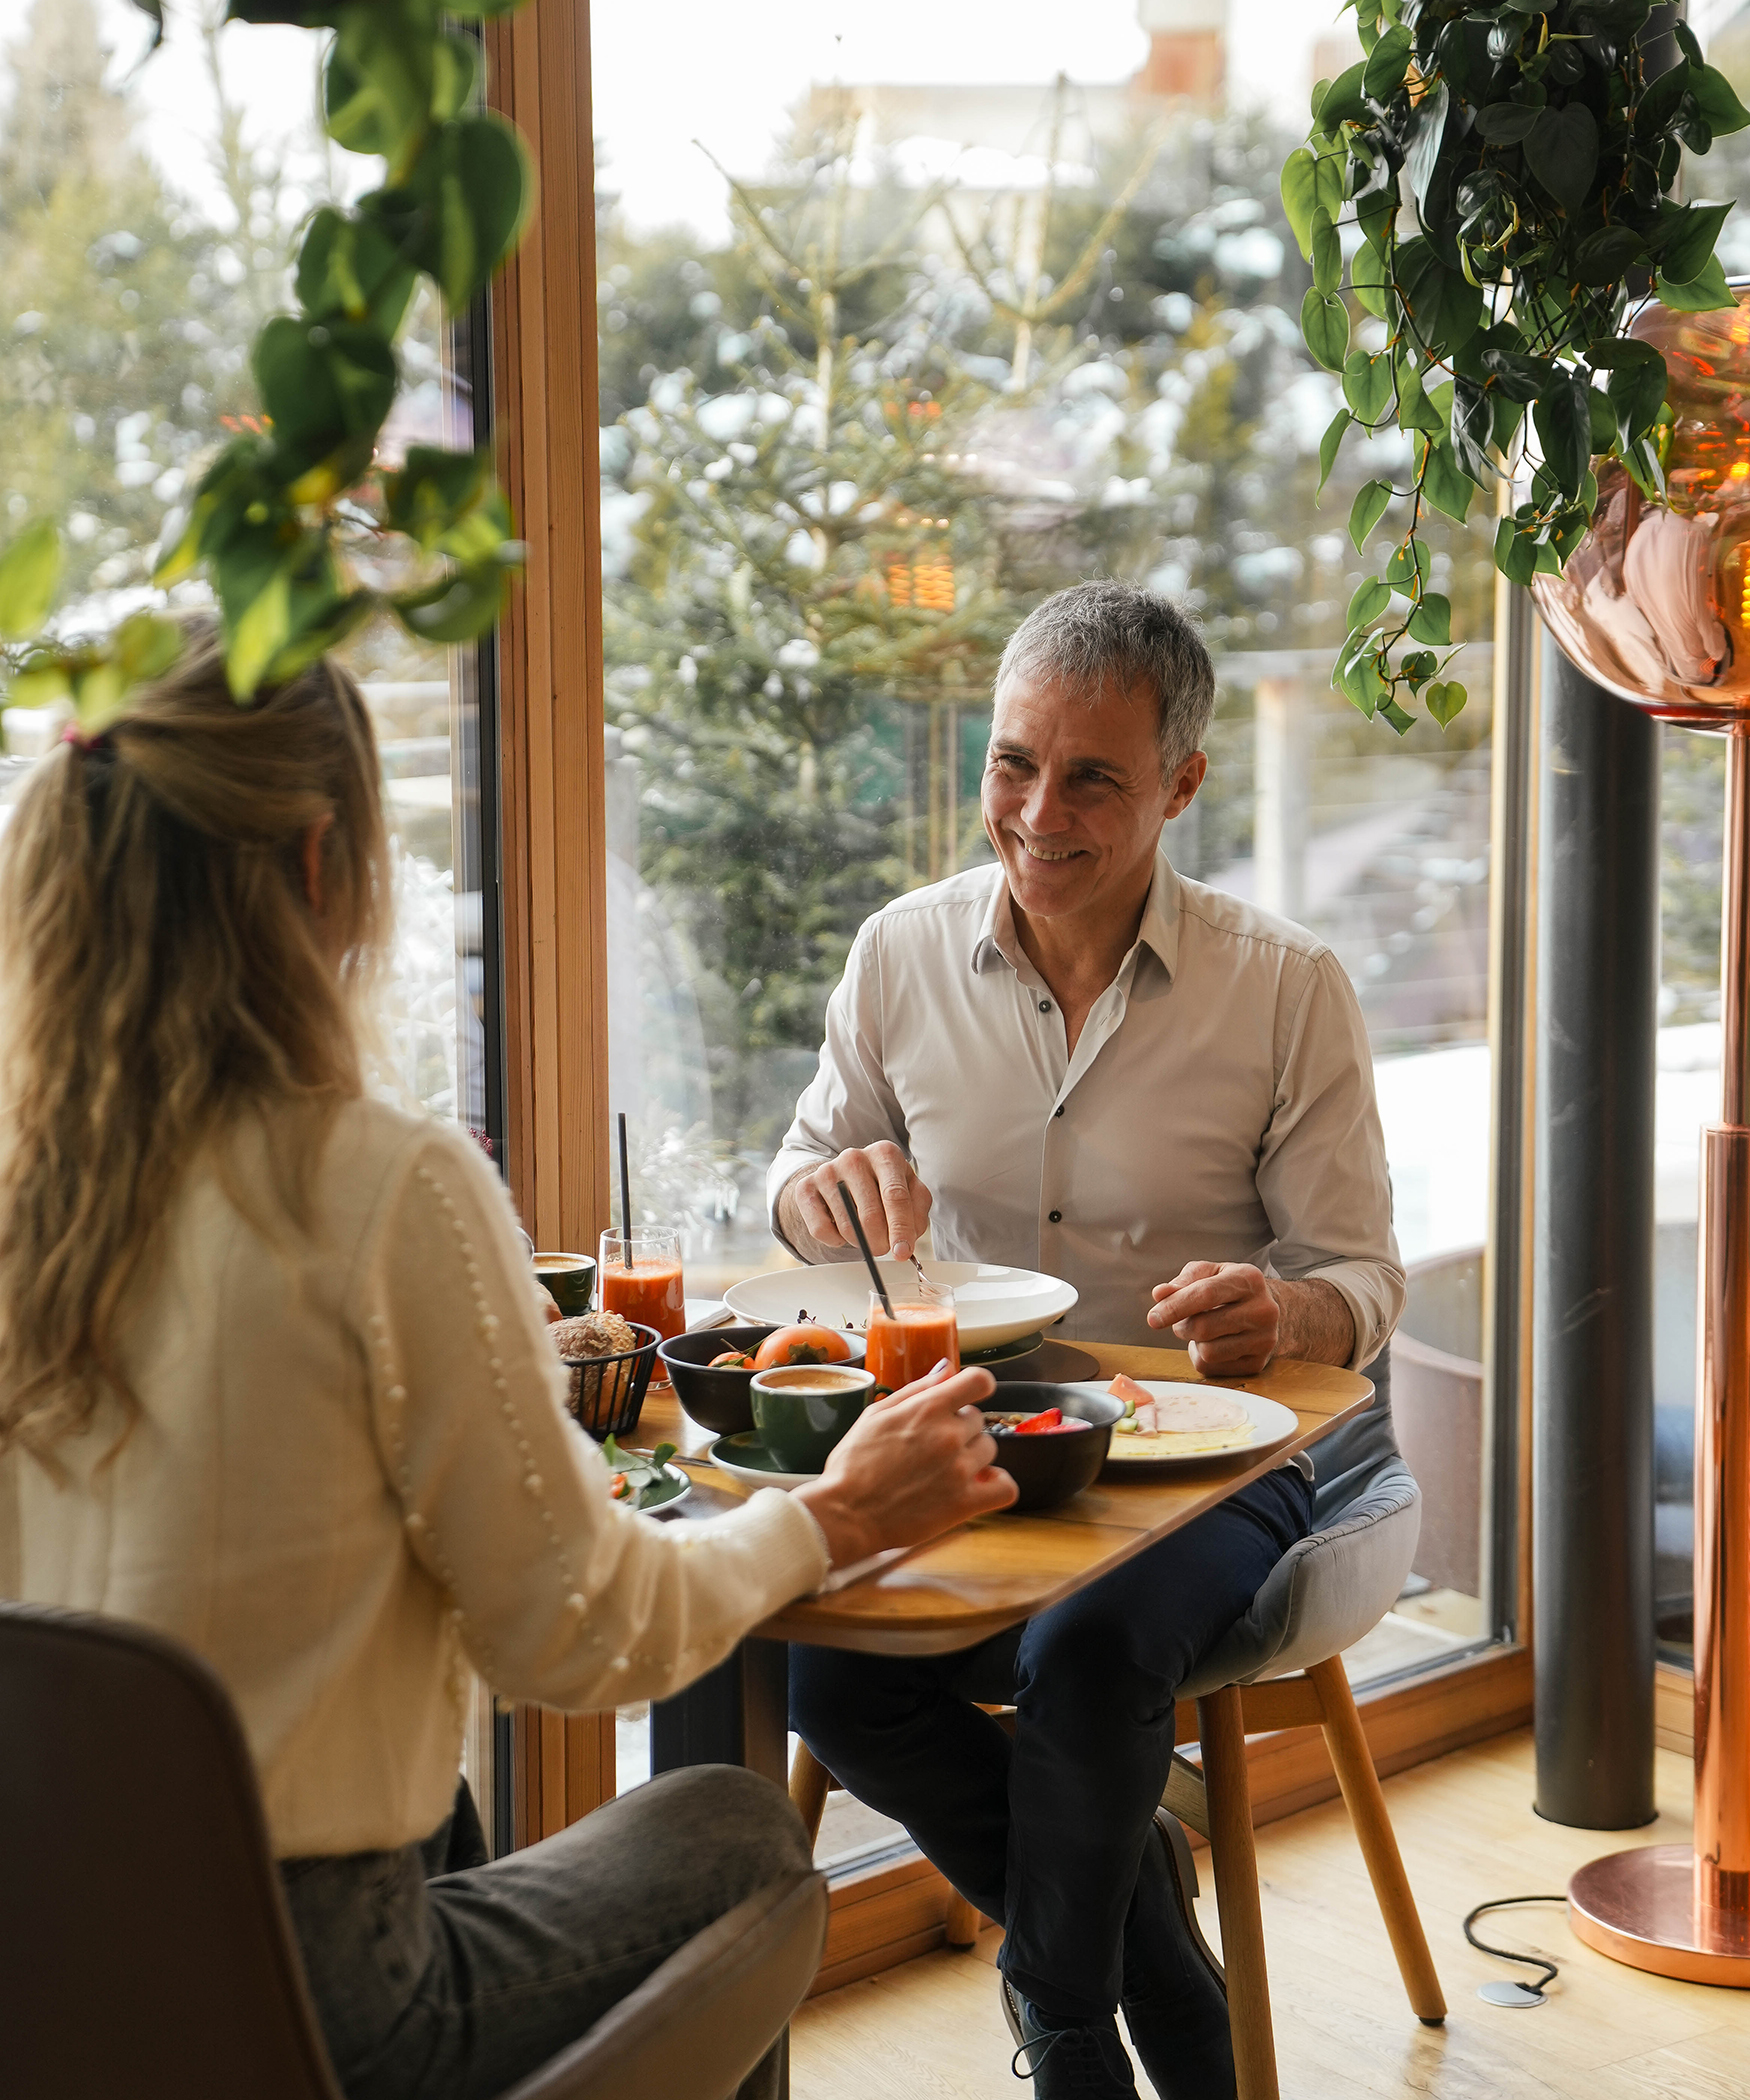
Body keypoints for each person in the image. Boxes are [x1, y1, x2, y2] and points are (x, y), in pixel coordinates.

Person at [0, 627, 1017, 2100]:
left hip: (44, 1984)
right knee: (737, 1837)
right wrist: (836, 1513)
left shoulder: (29, 1188)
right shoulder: (379, 1182)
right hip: (313, 2012)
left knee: (451, 1821)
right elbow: (579, 1639)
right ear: (318, 864)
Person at [771, 581, 1406, 2099]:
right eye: (1013, 763)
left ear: (1181, 785)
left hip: (1213, 1449)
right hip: (973, 1429)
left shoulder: (1285, 987)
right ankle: (1140, 1919)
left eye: (1092, 779)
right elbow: (799, 1177)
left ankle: (1062, 2023)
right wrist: (821, 1197)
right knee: (830, 1676)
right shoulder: (899, 952)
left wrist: (1286, 1310)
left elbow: (1360, 1278)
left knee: (1093, 1650)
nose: (1037, 814)